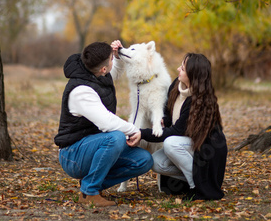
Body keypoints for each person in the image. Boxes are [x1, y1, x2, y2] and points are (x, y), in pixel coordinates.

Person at [54, 41, 153, 207]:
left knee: (144, 160)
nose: (112, 62)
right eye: (111, 60)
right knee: (115, 138)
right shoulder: (81, 91)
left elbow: (113, 71)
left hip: (94, 146)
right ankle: (89, 192)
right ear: (103, 69)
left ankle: (91, 182)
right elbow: (107, 122)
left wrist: (118, 55)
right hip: (72, 154)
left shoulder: (94, 72)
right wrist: (134, 130)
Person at [127, 53, 227, 201]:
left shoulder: (198, 101)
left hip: (205, 149)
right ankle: (196, 179)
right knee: (155, 162)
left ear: (193, 75)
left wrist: (141, 133)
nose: (178, 69)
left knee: (170, 143)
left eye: (183, 68)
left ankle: (197, 187)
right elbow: (169, 112)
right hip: (187, 145)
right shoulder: (176, 86)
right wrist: (165, 120)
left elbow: (175, 132)